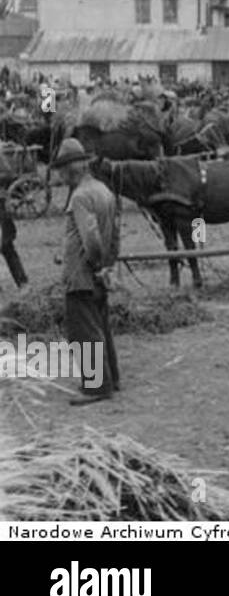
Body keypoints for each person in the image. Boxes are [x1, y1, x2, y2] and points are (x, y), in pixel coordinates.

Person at [51, 138, 120, 405]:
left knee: (83, 331)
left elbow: (90, 238)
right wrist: (107, 266)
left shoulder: (80, 196)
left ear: (72, 169)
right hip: (100, 273)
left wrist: (94, 264)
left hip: (82, 275)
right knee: (101, 325)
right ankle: (111, 377)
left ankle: (96, 387)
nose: (60, 175)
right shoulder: (104, 190)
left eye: (61, 170)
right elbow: (113, 234)